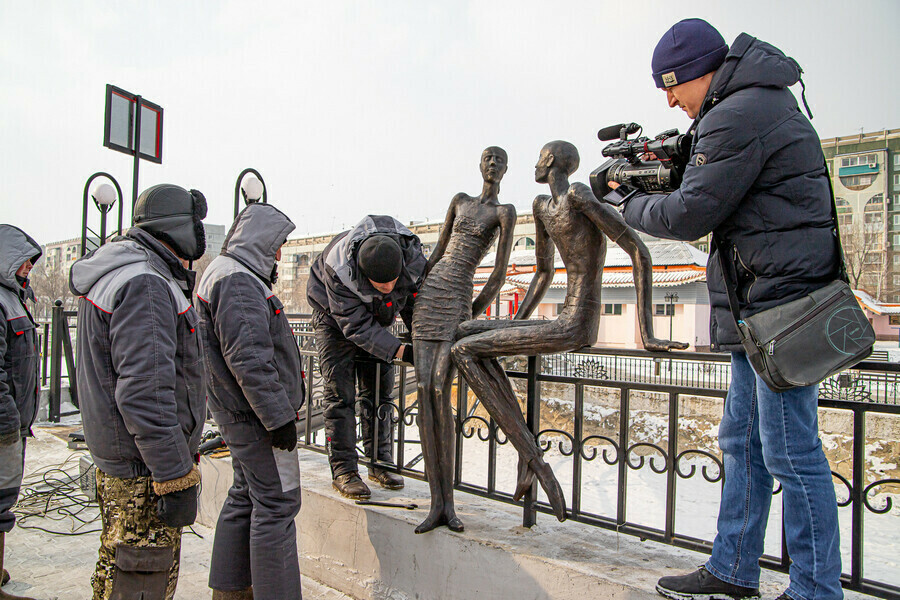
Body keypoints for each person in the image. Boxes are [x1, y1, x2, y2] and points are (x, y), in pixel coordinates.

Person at [618, 18, 842, 600]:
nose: (669, 100)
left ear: (697, 73)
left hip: (779, 311)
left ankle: (816, 590)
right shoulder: (751, 107)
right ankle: (734, 568)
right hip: (757, 311)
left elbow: (691, 212)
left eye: (671, 86)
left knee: (792, 453)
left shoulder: (741, 113)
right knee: (743, 444)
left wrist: (627, 203)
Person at [450, 141, 686, 528]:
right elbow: (543, 275)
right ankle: (529, 455)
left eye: (541, 156)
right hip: (558, 317)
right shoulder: (542, 207)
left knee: (463, 351)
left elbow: (637, 250)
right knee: (465, 330)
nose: (536, 162)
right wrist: (513, 327)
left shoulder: (579, 196)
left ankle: (534, 461)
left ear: (553, 162)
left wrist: (649, 334)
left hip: (577, 322)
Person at [70, 184, 208, 600]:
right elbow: (146, 396)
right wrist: (173, 476)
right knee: (140, 580)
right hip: (144, 472)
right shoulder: (146, 283)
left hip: (127, 462)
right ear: (177, 227)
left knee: (120, 572)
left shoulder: (124, 271)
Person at [195, 202, 305, 600]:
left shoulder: (225, 274)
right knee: (277, 504)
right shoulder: (238, 280)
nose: (279, 254)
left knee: (245, 496)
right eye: (278, 245)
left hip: (239, 413)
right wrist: (278, 419)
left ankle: (230, 591)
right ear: (259, 241)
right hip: (256, 418)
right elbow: (250, 358)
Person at [411, 146, 516, 534]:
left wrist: (471, 310)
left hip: (457, 298)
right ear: (480, 164)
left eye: (500, 161)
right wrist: (416, 292)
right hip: (431, 295)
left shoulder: (504, 213)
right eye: (488, 158)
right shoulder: (459, 201)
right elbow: (438, 250)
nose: (493, 165)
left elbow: (499, 274)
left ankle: (448, 504)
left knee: (440, 390)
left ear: (506, 170)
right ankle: (433, 502)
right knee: (423, 390)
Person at [307, 215, 426, 498]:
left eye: (392, 282)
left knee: (380, 392)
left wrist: (421, 339)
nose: (387, 289)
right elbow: (355, 324)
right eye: (379, 283)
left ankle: (379, 463)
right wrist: (399, 350)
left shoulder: (413, 258)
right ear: (362, 272)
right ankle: (345, 470)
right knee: (340, 395)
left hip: (376, 316)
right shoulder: (339, 268)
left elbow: (415, 302)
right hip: (333, 319)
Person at [0, 225, 42, 600]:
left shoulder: (15, 298)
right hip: (4, 427)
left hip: (14, 425)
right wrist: (7, 421)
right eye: (23, 259)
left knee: (3, 501)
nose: (29, 266)